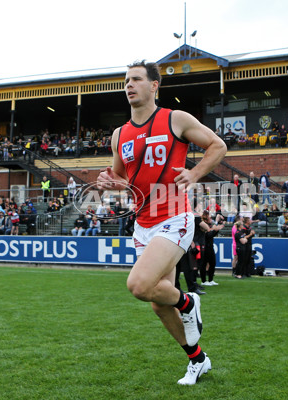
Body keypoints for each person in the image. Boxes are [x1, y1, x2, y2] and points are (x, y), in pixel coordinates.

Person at [96, 60, 227, 385]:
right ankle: (197, 359)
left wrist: (195, 173)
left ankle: (188, 301)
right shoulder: (119, 134)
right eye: (126, 80)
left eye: (136, 79)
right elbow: (123, 177)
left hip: (175, 216)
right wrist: (111, 183)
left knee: (138, 286)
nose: (129, 85)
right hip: (143, 223)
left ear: (154, 85)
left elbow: (218, 146)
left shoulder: (175, 119)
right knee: (157, 302)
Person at [202, 212, 225, 286]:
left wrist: (217, 229)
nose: (211, 219)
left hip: (210, 246)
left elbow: (212, 234)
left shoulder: (209, 225)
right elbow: (208, 235)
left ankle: (210, 279)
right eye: (210, 217)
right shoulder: (203, 225)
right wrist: (215, 229)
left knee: (212, 263)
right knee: (204, 263)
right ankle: (204, 280)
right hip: (205, 246)